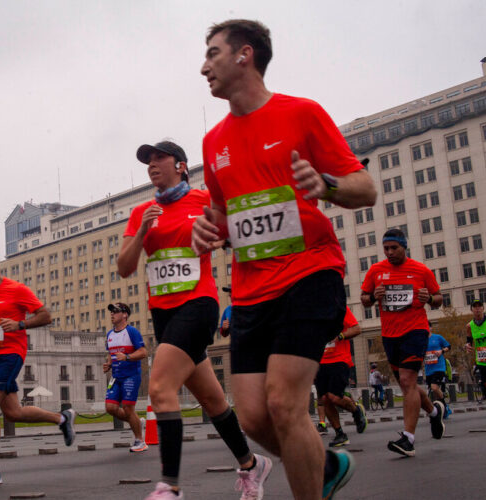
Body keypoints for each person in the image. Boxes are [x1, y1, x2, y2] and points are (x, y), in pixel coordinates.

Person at [193, 19, 377, 500]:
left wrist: (326, 184)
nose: (203, 66)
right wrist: (207, 229)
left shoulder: (302, 114)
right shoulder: (214, 143)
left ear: (244, 55)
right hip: (252, 288)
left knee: (284, 402)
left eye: (212, 53)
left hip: (310, 272)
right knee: (252, 415)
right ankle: (327, 463)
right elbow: (222, 215)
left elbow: (366, 188)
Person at [120, 140, 270, 500]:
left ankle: (169, 486)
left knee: (159, 389)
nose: (152, 166)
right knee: (213, 401)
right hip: (163, 313)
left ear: (181, 165)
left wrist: (220, 241)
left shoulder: (203, 201)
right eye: (148, 161)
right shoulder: (143, 210)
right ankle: (252, 465)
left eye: (160, 158)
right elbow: (125, 268)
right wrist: (142, 232)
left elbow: (240, 233)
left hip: (199, 304)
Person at [0, 252, 75, 487]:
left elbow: (45, 315)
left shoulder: (17, 289)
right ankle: (62, 419)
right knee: (13, 412)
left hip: (11, 354)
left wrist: (20, 324)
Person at [361, 229, 445, 457]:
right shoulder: (376, 271)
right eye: (385, 248)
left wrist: (429, 299)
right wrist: (372, 297)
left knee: (408, 380)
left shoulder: (421, 270)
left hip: (415, 331)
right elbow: (364, 299)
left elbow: (439, 298)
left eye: (393, 248)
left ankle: (408, 439)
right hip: (390, 335)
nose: (389, 252)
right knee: (407, 386)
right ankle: (434, 412)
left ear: (403, 247)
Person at [315, 307, 367, 448]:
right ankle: (340, 434)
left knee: (334, 396)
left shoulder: (338, 307)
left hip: (339, 359)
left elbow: (356, 329)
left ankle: (356, 410)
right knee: (325, 399)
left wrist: (339, 336)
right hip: (319, 361)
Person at [102, 302, 148, 452]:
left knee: (128, 408)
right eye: (111, 312)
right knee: (110, 408)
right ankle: (136, 422)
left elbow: (143, 352)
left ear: (124, 315)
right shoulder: (109, 334)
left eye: (115, 311)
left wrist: (127, 357)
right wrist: (108, 364)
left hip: (131, 376)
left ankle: (140, 441)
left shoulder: (132, 331)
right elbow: (111, 353)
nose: (112, 314)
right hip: (115, 377)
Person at [424, 330, 451, 417]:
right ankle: (443, 407)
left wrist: (441, 351)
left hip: (439, 367)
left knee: (434, 387)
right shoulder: (421, 340)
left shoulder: (438, 337)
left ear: (430, 328)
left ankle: (444, 408)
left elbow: (448, 346)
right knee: (433, 391)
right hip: (428, 369)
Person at [465, 299, 486, 403]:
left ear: (483, 308)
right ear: (472, 310)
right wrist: (468, 346)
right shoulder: (469, 325)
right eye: (475, 307)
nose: (477, 309)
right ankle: (485, 395)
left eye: (479, 306)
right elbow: (469, 340)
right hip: (481, 357)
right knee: (484, 378)